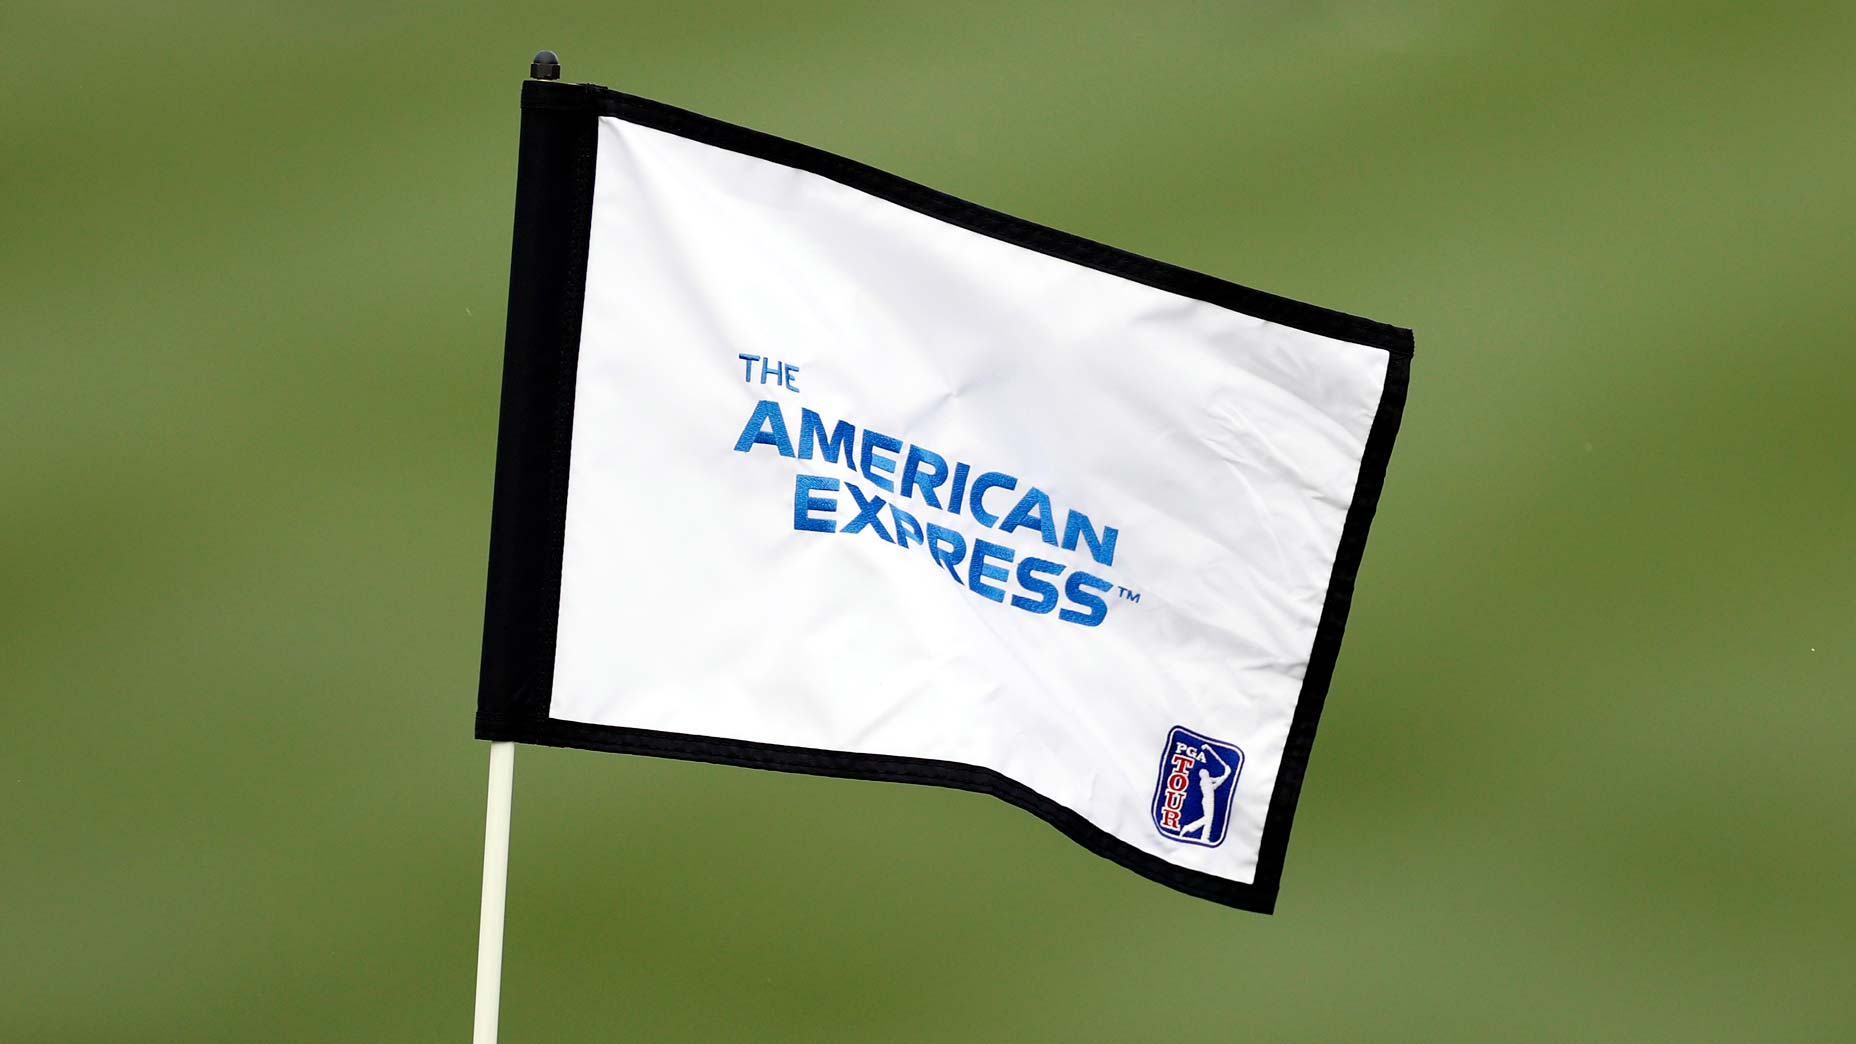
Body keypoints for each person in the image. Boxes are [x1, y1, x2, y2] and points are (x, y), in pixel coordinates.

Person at [1175, 748, 1231, 841]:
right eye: (1205, 772)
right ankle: (1190, 828)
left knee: (1208, 819)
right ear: (1203, 774)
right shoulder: (1205, 781)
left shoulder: (1207, 780)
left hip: (1209, 800)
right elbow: (1217, 781)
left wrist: (1226, 774)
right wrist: (1226, 774)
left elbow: (1216, 784)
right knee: (1208, 819)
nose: (1207, 772)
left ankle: (1204, 837)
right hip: (1208, 801)